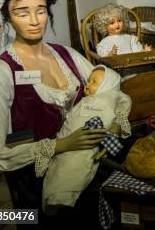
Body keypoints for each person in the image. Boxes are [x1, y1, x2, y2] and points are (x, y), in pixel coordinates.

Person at [0, 0, 131, 225]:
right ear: (7, 18)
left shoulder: (67, 55)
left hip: (89, 166)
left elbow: (112, 93)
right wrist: (60, 145)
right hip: (37, 179)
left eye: (40, 10)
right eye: (22, 13)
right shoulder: (0, 73)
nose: (34, 20)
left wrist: (114, 125)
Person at [42, 66, 129, 213]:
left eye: (94, 82)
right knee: (59, 164)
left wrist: (116, 125)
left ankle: (60, 196)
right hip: (65, 140)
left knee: (75, 164)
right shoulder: (86, 100)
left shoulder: (109, 97)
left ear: (107, 85)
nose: (88, 85)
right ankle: (54, 195)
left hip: (84, 142)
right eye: (88, 81)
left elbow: (124, 104)